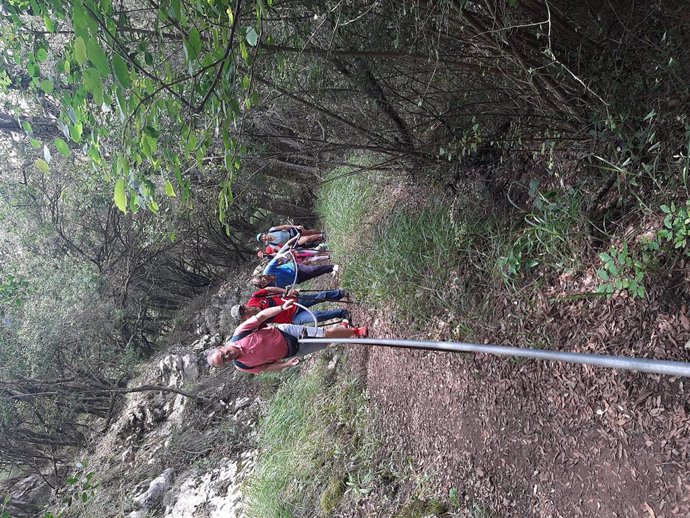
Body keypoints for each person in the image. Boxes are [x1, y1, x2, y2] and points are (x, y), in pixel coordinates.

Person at [207, 300, 368, 374]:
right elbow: (264, 367)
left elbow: (261, 316)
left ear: (222, 347)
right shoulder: (241, 365)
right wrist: (287, 365)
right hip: (292, 351)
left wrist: (281, 307)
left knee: (325, 335)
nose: (228, 356)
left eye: (224, 354)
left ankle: (356, 331)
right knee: (325, 343)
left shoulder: (240, 333)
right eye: (225, 360)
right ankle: (344, 328)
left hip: (288, 332)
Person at [231, 286, 349, 325]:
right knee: (317, 316)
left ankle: (339, 294)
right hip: (292, 318)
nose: (245, 311)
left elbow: (268, 289)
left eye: (243, 308)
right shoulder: (255, 322)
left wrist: (285, 292)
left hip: (294, 301)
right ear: (243, 318)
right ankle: (342, 313)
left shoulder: (254, 298)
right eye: (243, 313)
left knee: (319, 297)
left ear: (243, 305)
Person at [250, 250, 337, 288]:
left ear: (262, 276)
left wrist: (282, 255)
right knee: (314, 274)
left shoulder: (268, 270)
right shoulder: (270, 287)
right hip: (296, 279)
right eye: (263, 284)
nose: (264, 282)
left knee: (312, 270)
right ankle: (331, 270)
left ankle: (333, 267)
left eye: (263, 280)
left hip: (295, 268)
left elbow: (276, 258)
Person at [257, 224, 323, 248]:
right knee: (306, 239)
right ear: (263, 241)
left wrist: (296, 226)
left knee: (308, 232)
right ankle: (321, 236)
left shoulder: (272, 230)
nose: (264, 238)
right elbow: (281, 249)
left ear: (263, 234)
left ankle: (320, 232)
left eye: (262, 236)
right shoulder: (272, 245)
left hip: (291, 232)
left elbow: (284, 226)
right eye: (262, 239)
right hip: (292, 241)